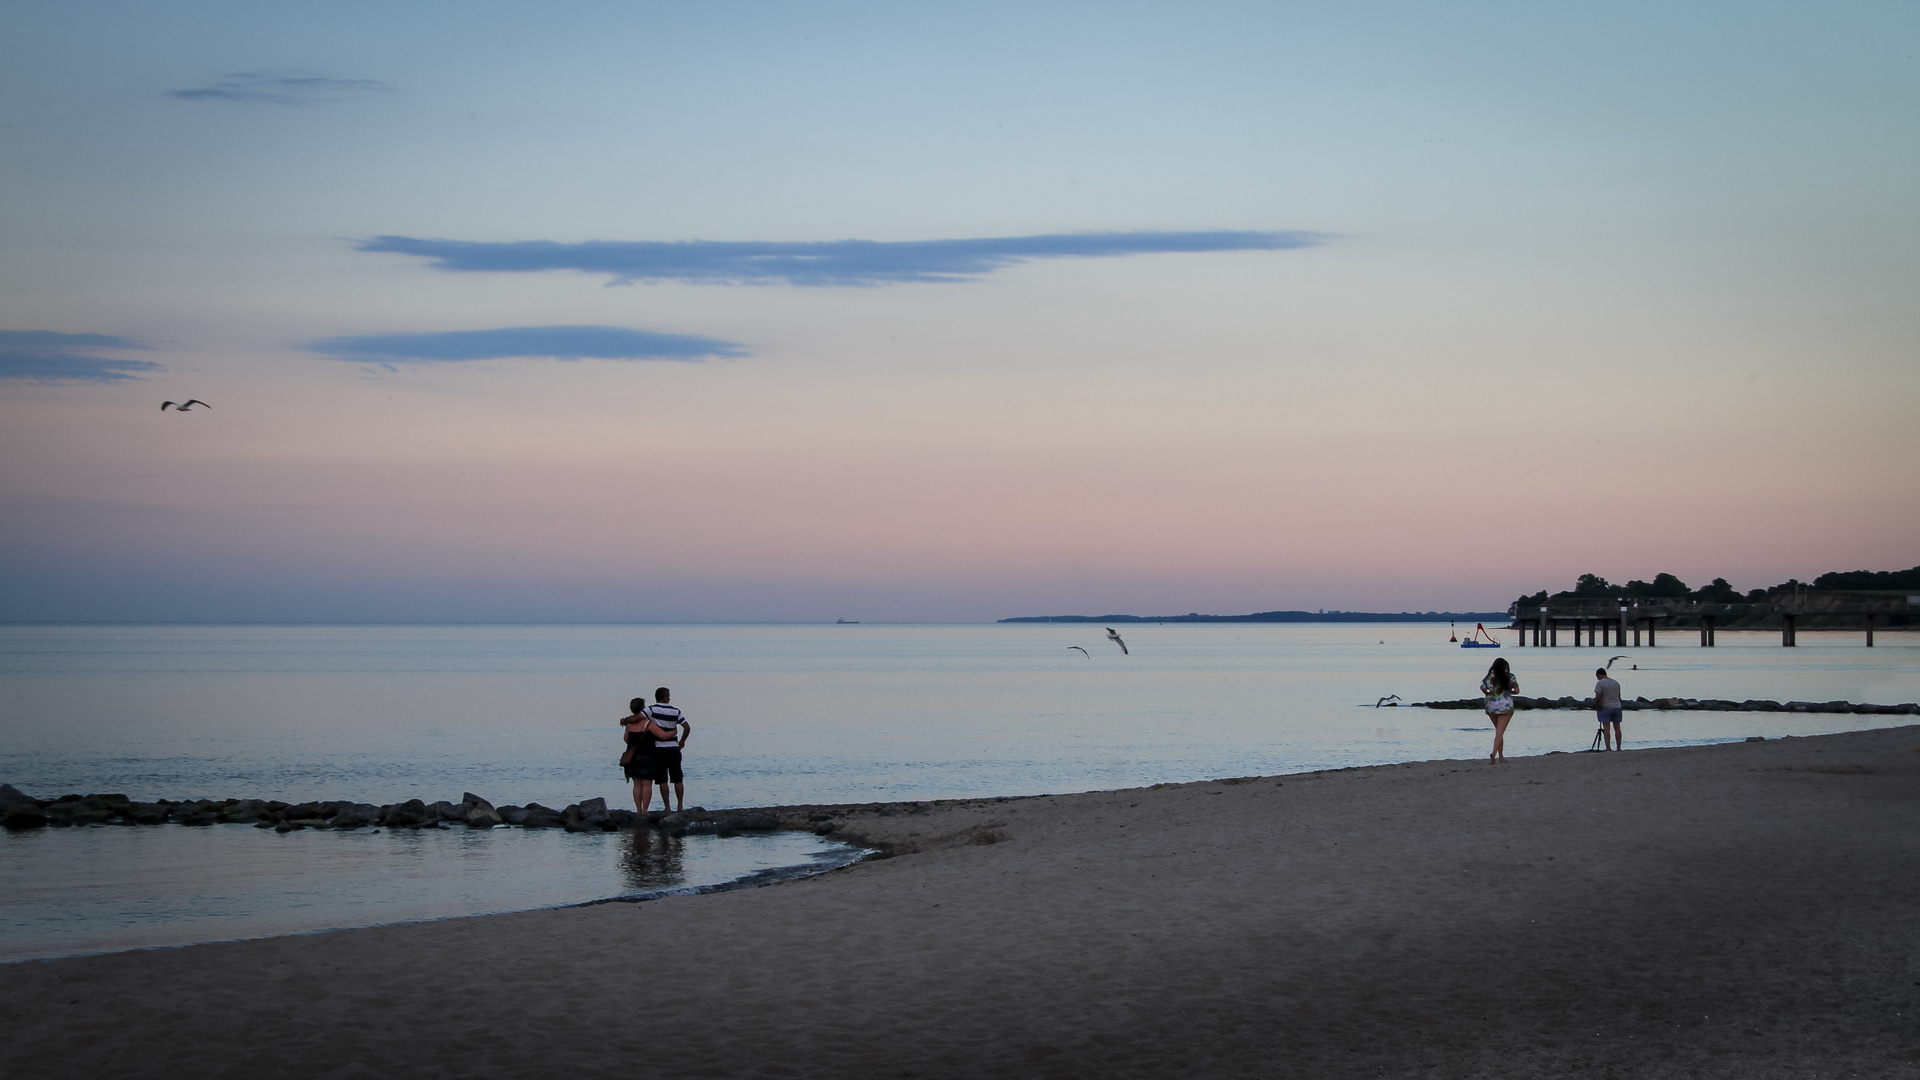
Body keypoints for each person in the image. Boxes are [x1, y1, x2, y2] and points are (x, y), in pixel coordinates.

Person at [619, 697, 672, 814]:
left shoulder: (629, 725)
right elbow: (663, 736)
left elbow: (626, 739)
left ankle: (638, 810)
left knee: (637, 785)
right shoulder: (648, 723)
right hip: (648, 756)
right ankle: (644, 810)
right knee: (647, 785)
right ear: (643, 708)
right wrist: (674, 732)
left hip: (633, 758)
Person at [644, 687, 692, 813]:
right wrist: (682, 741)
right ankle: (680, 805)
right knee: (677, 778)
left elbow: (639, 717)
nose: (669, 698)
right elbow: (687, 727)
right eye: (668, 696)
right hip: (673, 748)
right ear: (665, 697)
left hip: (659, 748)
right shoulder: (675, 711)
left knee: (662, 779)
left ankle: (667, 807)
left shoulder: (651, 709)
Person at [1481, 657, 1518, 764]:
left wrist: (1488, 691)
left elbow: (1484, 689)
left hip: (1491, 706)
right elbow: (1516, 690)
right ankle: (1494, 753)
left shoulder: (1489, 678)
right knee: (1500, 732)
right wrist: (1510, 690)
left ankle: (1501, 757)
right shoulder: (1510, 677)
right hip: (1505, 706)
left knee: (1498, 731)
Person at [1594, 667, 1624, 751]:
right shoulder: (1615, 682)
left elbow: (1598, 696)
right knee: (1617, 728)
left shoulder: (1600, 683)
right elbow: (1619, 696)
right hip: (1617, 706)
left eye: (1597, 676)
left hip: (1606, 706)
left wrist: (1598, 706)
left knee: (1606, 728)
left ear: (1599, 675)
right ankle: (1618, 748)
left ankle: (1608, 748)